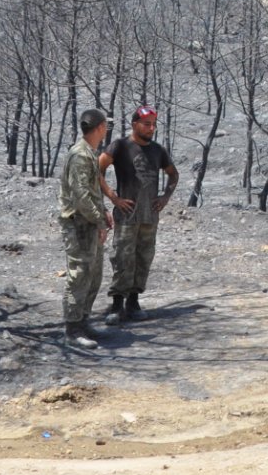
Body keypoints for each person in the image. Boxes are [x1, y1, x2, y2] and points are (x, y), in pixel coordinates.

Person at [99, 105, 179, 324]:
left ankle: (133, 301)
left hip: (149, 216)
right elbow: (98, 170)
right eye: (146, 124)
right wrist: (113, 197)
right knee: (122, 258)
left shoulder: (158, 150)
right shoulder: (120, 146)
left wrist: (165, 198)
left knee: (144, 258)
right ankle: (117, 304)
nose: (151, 128)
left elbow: (173, 175)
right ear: (134, 124)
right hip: (126, 215)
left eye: (153, 125)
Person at [58, 108, 113, 349]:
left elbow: (91, 191)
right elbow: (80, 196)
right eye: (105, 125)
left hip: (90, 223)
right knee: (79, 275)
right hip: (79, 224)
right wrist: (99, 220)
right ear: (100, 127)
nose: (106, 129)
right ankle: (72, 329)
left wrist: (104, 213)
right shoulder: (80, 155)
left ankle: (83, 320)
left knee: (94, 274)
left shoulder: (89, 153)